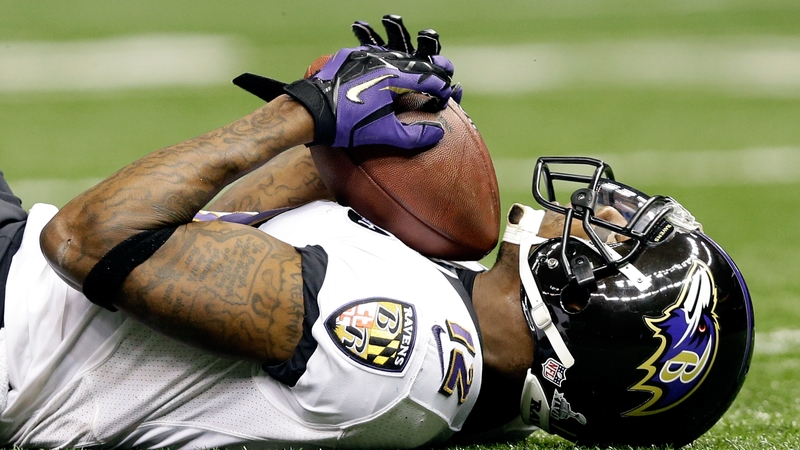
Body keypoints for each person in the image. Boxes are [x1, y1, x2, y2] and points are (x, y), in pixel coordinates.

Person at [0, 15, 754, 449]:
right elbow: (238, 224)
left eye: (618, 232)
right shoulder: (447, 331)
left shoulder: (391, 341)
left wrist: (301, 111)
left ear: (580, 309)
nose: (600, 206)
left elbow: (88, 238)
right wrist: (380, 131)